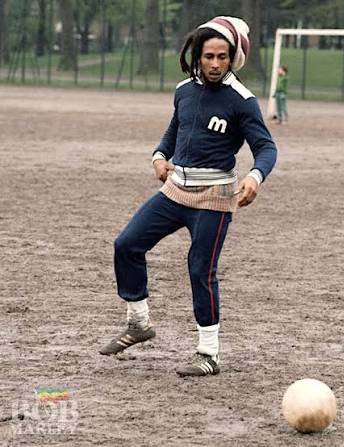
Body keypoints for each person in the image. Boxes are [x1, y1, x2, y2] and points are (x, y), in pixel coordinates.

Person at [100, 16, 277, 377]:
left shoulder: (242, 101)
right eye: (209, 56)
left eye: (223, 57)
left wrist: (255, 177)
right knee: (127, 244)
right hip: (175, 190)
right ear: (197, 55)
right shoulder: (184, 90)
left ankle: (208, 354)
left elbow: (266, 147)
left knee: (200, 269)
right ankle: (138, 324)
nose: (215, 64)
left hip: (214, 197)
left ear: (233, 58)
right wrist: (159, 156)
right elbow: (174, 130)